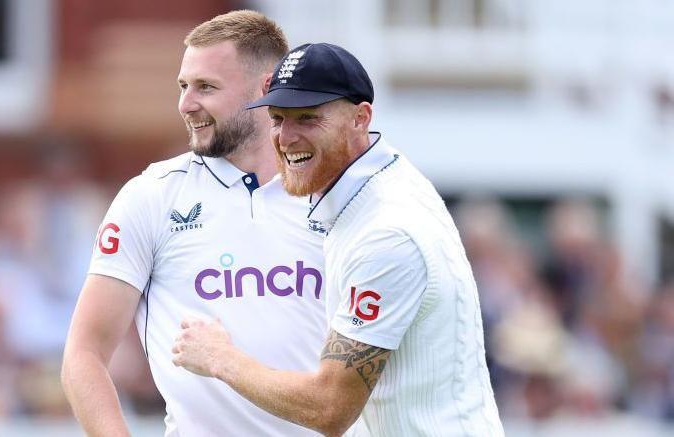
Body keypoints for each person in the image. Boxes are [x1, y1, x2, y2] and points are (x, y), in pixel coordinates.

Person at [172, 43, 506, 436]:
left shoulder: (385, 233)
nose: (286, 137)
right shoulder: (383, 181)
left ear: (360, 118)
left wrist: (220, 358)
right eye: (278, 118)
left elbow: (329, 407)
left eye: (308, 119)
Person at [62, 11, 328, 436]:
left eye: (206, 87)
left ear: (265, 89)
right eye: (184, 86)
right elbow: (83, 353)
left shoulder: (337, 195)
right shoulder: (151, 197)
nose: (186, 104)